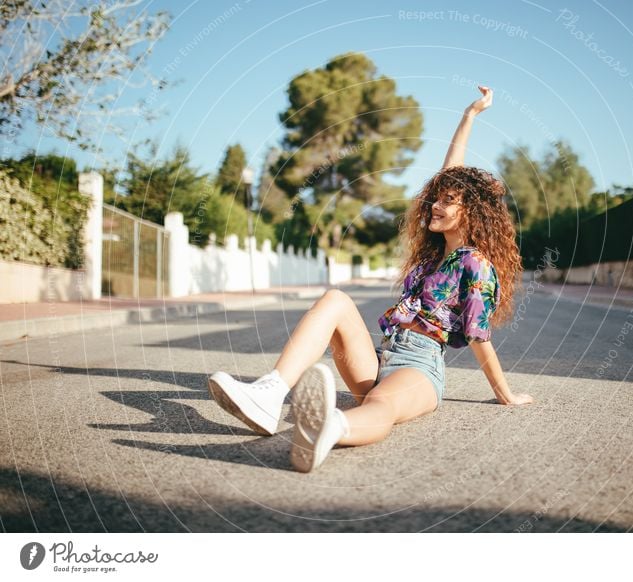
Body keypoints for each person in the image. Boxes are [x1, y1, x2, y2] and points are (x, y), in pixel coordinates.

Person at [208, 85, 534, 473]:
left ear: (472, 213)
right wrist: (469, 116)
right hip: (381, 359)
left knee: (381, 405)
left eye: (448, 201)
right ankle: (269, 392)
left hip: (419, 368)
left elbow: (478, 335)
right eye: (436, 197)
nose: (435, 204)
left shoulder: (475, 264)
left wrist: (505, 394)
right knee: (335, 300)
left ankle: (328, 429)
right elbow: (449, 172)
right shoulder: (434, 256)